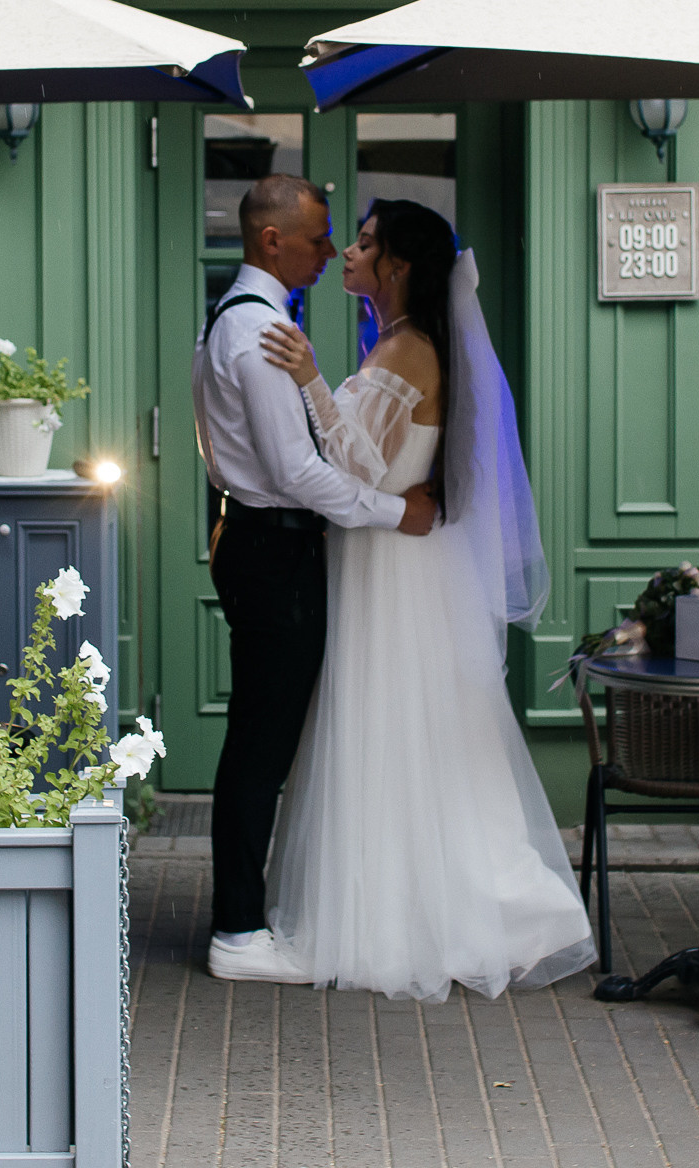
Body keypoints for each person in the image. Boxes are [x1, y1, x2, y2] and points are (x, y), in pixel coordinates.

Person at [256, 199, 597, 1001]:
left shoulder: (408, 350)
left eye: (365, 243)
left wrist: (309, 379)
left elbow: (366, 467)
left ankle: (417, 917)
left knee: (389, 723)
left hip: (394, 570)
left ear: (399, 266)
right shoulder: (399, 343)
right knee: (401, 729)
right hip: (391, 561)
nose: (347, 252)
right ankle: (405, 901)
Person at [192, 174, 437, 984]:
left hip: (258, 540)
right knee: (262, 743)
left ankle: (244, 915)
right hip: (273, 548)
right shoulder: (258, 332)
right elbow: (298, 471)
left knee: (264, 737)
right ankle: (237, 931)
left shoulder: (245, 319)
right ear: (272, 241)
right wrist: (389, 511)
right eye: (319, 235)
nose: (330, 249)